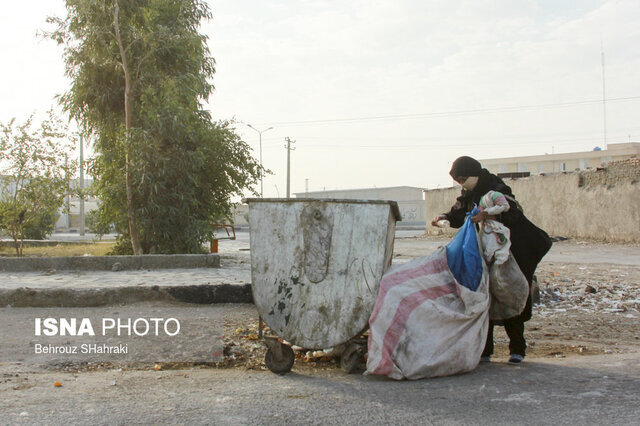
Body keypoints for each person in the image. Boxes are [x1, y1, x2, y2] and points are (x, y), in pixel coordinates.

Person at [431, 156, 552, 364]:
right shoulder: (469, 194)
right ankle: (485, 350)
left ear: (474, 173)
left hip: (513, 251)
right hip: (488, 250)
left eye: (463, 178)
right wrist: (444, 218)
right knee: (485, 294)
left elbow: (511, 212)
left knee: (511, 293)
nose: (462, 183)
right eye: (458, 180)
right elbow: (459, 213)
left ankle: (517, 349)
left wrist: (487, 216)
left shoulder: (496, 188)